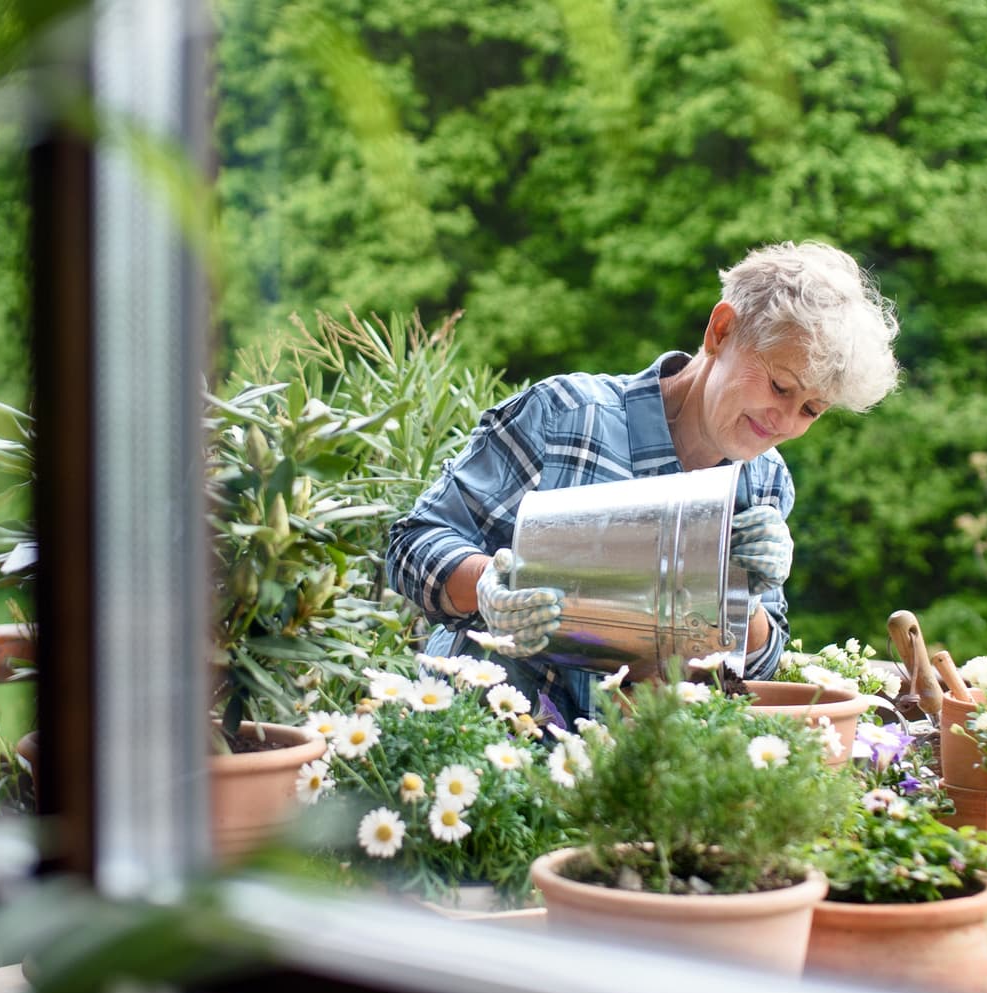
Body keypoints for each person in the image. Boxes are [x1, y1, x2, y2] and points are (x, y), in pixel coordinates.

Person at [385, 241, 901, 725]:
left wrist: (744, 593)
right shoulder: (568, 417)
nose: (785, 421)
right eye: (780, 386)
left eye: (811, 410)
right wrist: (486, 587)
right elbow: (411, 544)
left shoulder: (765, 481)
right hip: (486, 738)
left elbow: (756, 667)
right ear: (721, 331)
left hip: (635, 767)